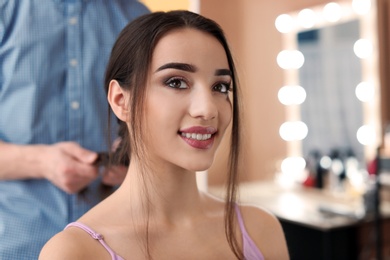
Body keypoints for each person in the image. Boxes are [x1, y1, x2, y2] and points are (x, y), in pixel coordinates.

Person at [39, 10, 289, 260]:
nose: (208, 109)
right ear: (121, 101)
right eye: (176, 82)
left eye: (220, 86)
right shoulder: (73, 252)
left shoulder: (261, 230)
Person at [0, 1, 149, 259]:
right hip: (15, 243)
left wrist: (134, 156)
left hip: (115, 246)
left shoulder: (138, 19)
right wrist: (41, 162)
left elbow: (157, 124)